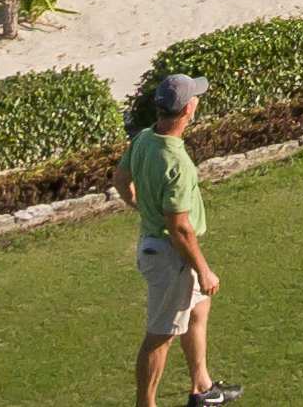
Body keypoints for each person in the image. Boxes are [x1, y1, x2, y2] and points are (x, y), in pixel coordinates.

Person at [114, 73, 242, 407]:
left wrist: (139, 204)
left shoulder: (144, 138)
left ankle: (202, 387)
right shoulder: (177, 163)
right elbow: (180, 227)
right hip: (172, 257)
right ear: (188, 109)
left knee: (199, 310)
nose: (199, 100)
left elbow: (120, 178)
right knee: (160, 336)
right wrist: (204, 269)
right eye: (196, 97)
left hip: (164, 249)